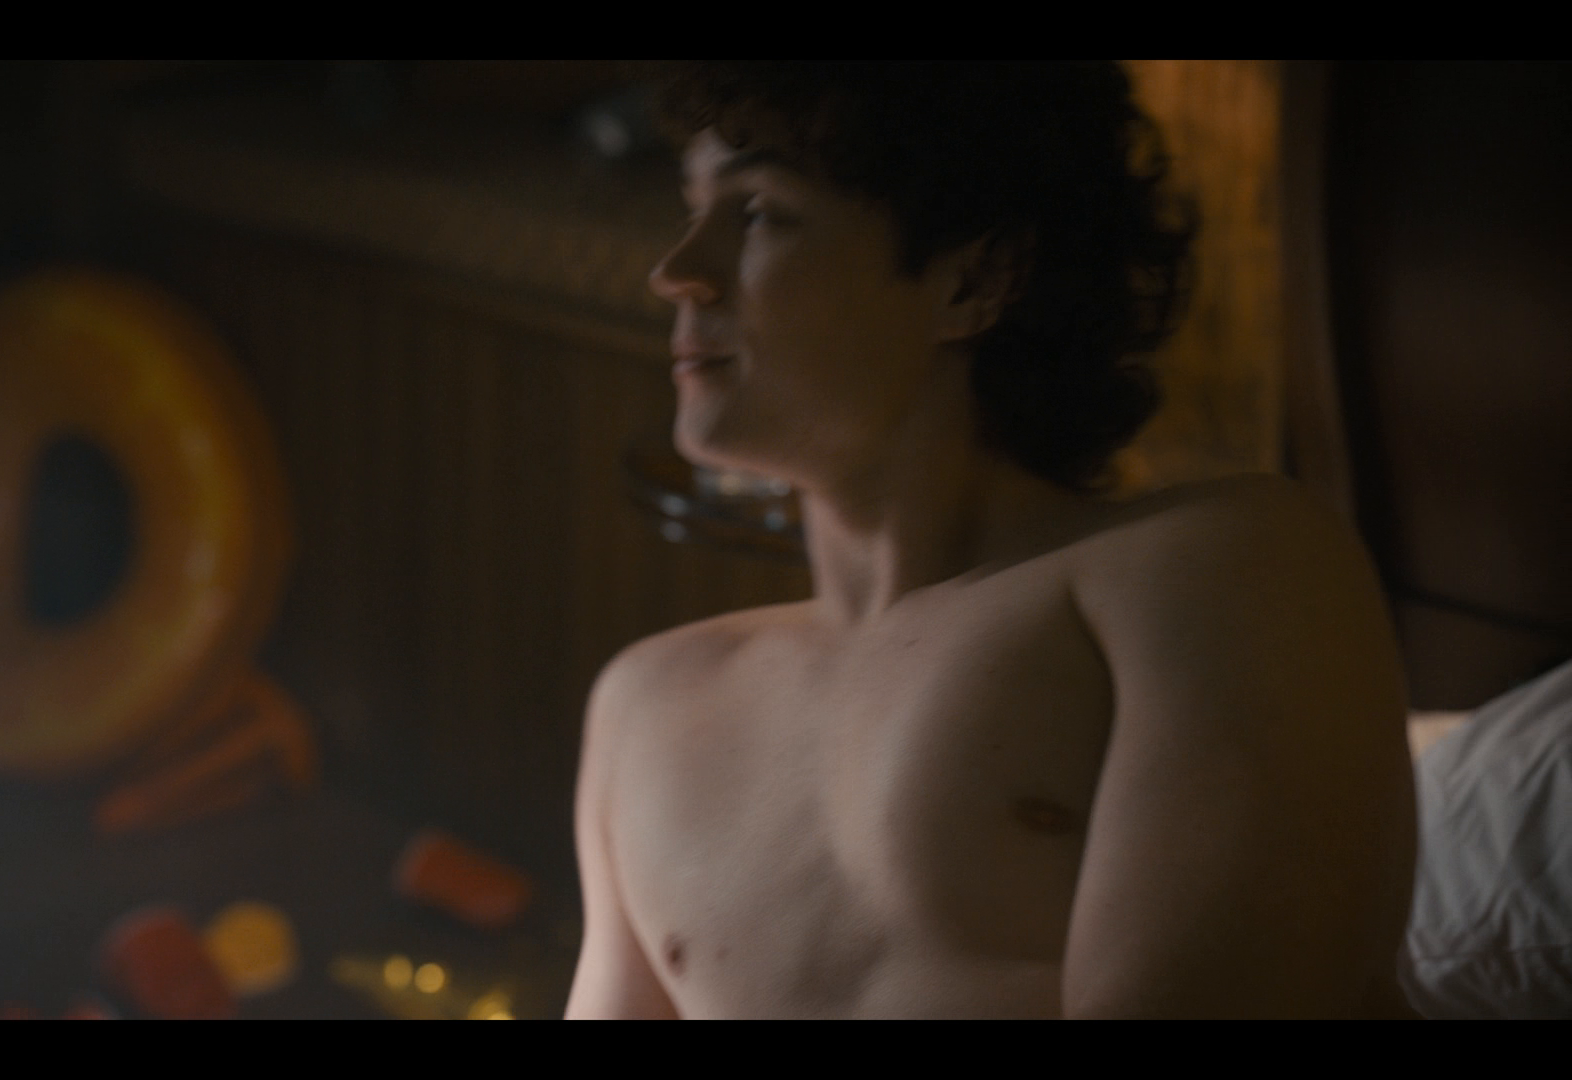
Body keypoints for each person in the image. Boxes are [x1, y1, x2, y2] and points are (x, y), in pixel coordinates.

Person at [564, 62, 1417, 1019]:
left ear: (975, 278)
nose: (675, 269)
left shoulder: (1217, 570)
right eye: (691, 209)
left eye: (759, 212)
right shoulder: (648, 704)